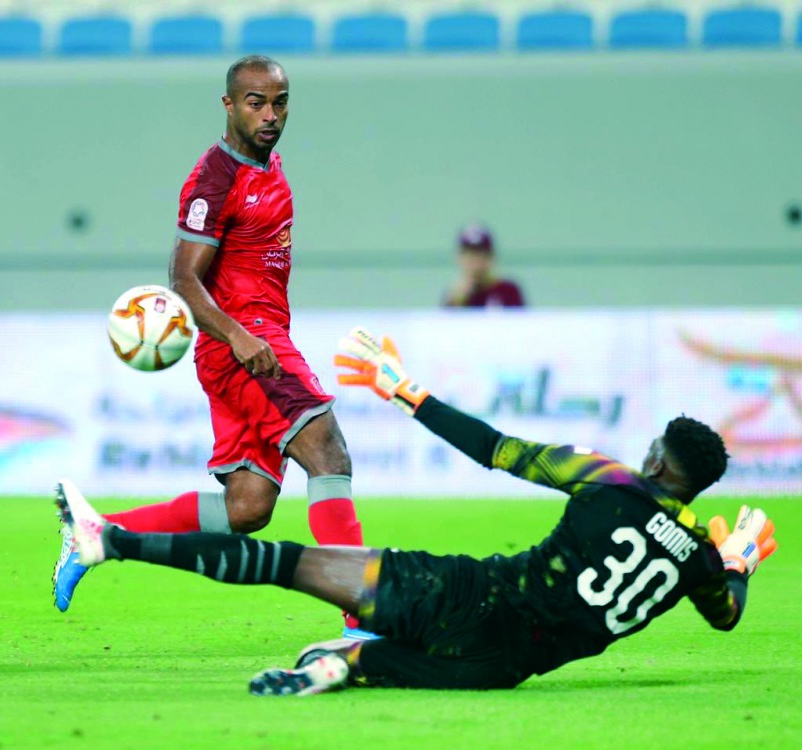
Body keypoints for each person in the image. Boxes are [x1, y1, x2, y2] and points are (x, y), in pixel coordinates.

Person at [54, 326, 776, 695]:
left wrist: (405, 390)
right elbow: (726, 613)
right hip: (499, 666)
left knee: (282, 561)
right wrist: (737, 559)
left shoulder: (609, 481)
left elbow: (497, 449)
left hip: (463, 594)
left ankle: (110, 542)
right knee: (355, 660)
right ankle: (343, 666)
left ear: (658, 464)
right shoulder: (698, 560)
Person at [54, 56, 371, 638]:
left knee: (246, 508)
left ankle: (99, 533)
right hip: (244, 346)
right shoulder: (215, 180)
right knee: (330, 455)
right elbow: (183, 280)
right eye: (256, 103)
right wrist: (239, 335)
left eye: (280, 103)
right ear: (229, 105)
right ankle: (364, 616)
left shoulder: (267, 163)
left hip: (255, 341)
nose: (270, 115)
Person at [442, 223, 525, 308]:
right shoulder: (454, 296)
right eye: (470, 256)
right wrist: (457, 302)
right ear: (459, 258)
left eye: (481, 255)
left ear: (491, 258)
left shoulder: (507, 291)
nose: (475, 263)